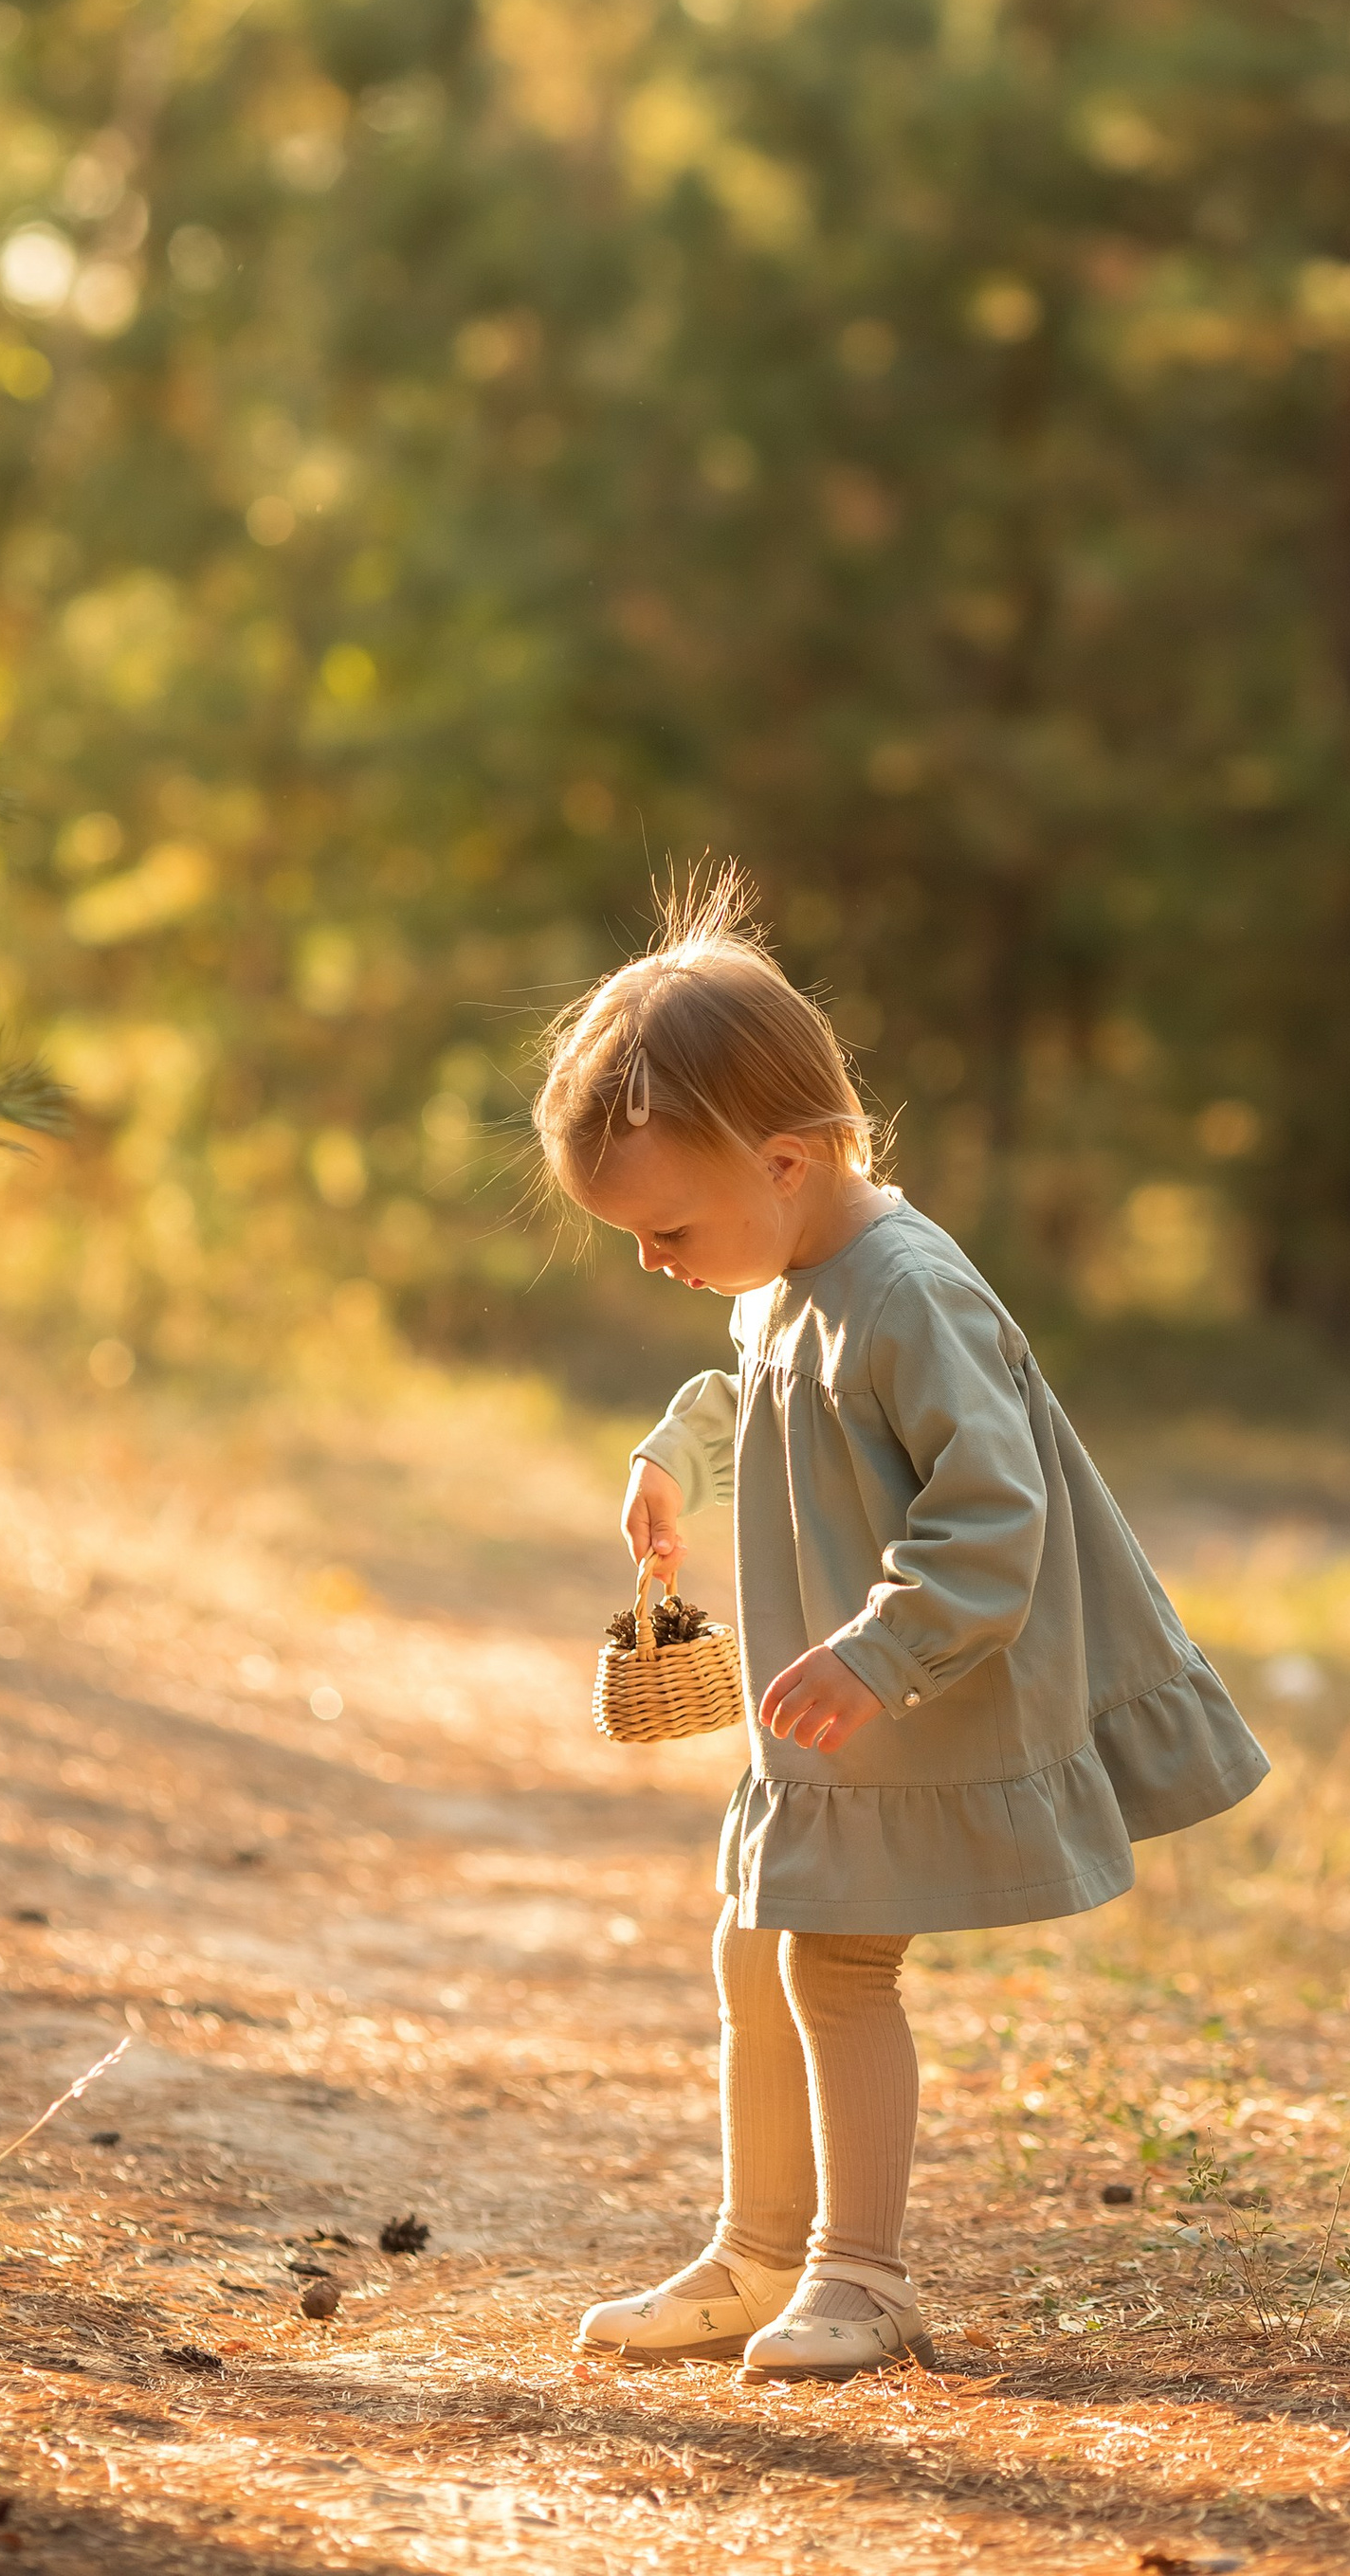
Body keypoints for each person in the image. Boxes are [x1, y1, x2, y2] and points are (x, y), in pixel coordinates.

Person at [535, 877, 1268, 2385]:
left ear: (788, 1161)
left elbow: (999, 1518)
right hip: (835, 1709)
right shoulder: (793, 1272)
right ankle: (754, 2254)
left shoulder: (910, 1292)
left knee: (835, 1968)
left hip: (912, 1696)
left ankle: (860, 2276)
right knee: (755, 1947)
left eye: (666, 1225)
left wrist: (877, 1652)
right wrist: (673, 1451)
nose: (649, 1260)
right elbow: (753, 1382)